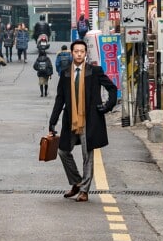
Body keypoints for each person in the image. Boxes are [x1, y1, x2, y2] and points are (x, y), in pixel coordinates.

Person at [47, 40, 117, 203]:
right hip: (71, 120)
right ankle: (77, 182)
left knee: (88, 155)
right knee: (63, 151)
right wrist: (52, 121)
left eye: (82, 51)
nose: (79, 54)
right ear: (72, 53)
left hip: (90, 120)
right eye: (76, 51)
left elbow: (112, 89)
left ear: (86, 53)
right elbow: (60, 99)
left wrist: (106, 107)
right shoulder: (65, 73)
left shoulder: (95, 71)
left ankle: (84, 190)